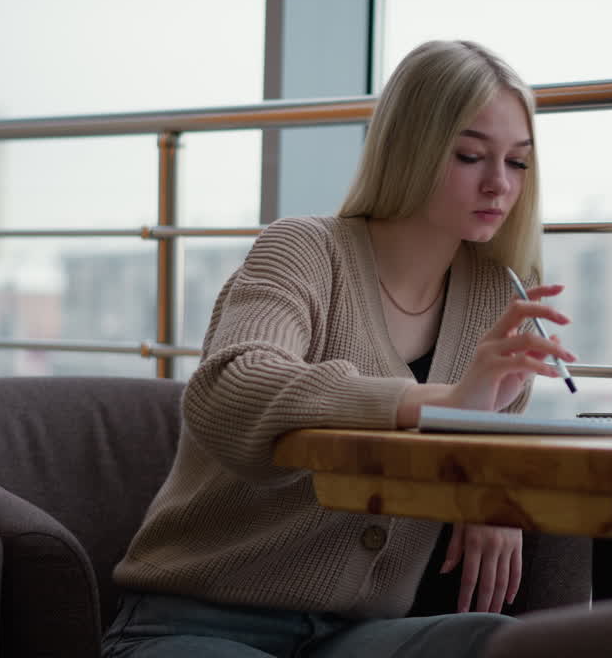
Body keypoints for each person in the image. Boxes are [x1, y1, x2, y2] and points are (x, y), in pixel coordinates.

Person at [102, 39, 578, 658]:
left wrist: (492, 488)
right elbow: (234, 387)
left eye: (517, 162)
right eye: (469, 156)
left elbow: (473, 447)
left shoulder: (497, 297)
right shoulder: (302, 249)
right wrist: (441, 402)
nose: (499, 185)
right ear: (410, 149)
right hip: (196, 621)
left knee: (509, 646)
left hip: (355, 636)